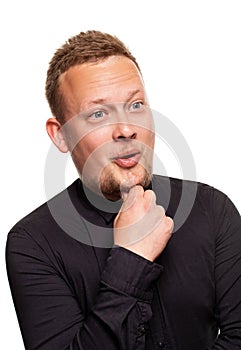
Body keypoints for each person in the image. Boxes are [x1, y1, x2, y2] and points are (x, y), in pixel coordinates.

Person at [6, 30, 241, 350]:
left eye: (135, 105)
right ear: (60, 135)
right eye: (98, 113)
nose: (127, 129)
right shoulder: (32, 244)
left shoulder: (212, 210)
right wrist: (130, 261)